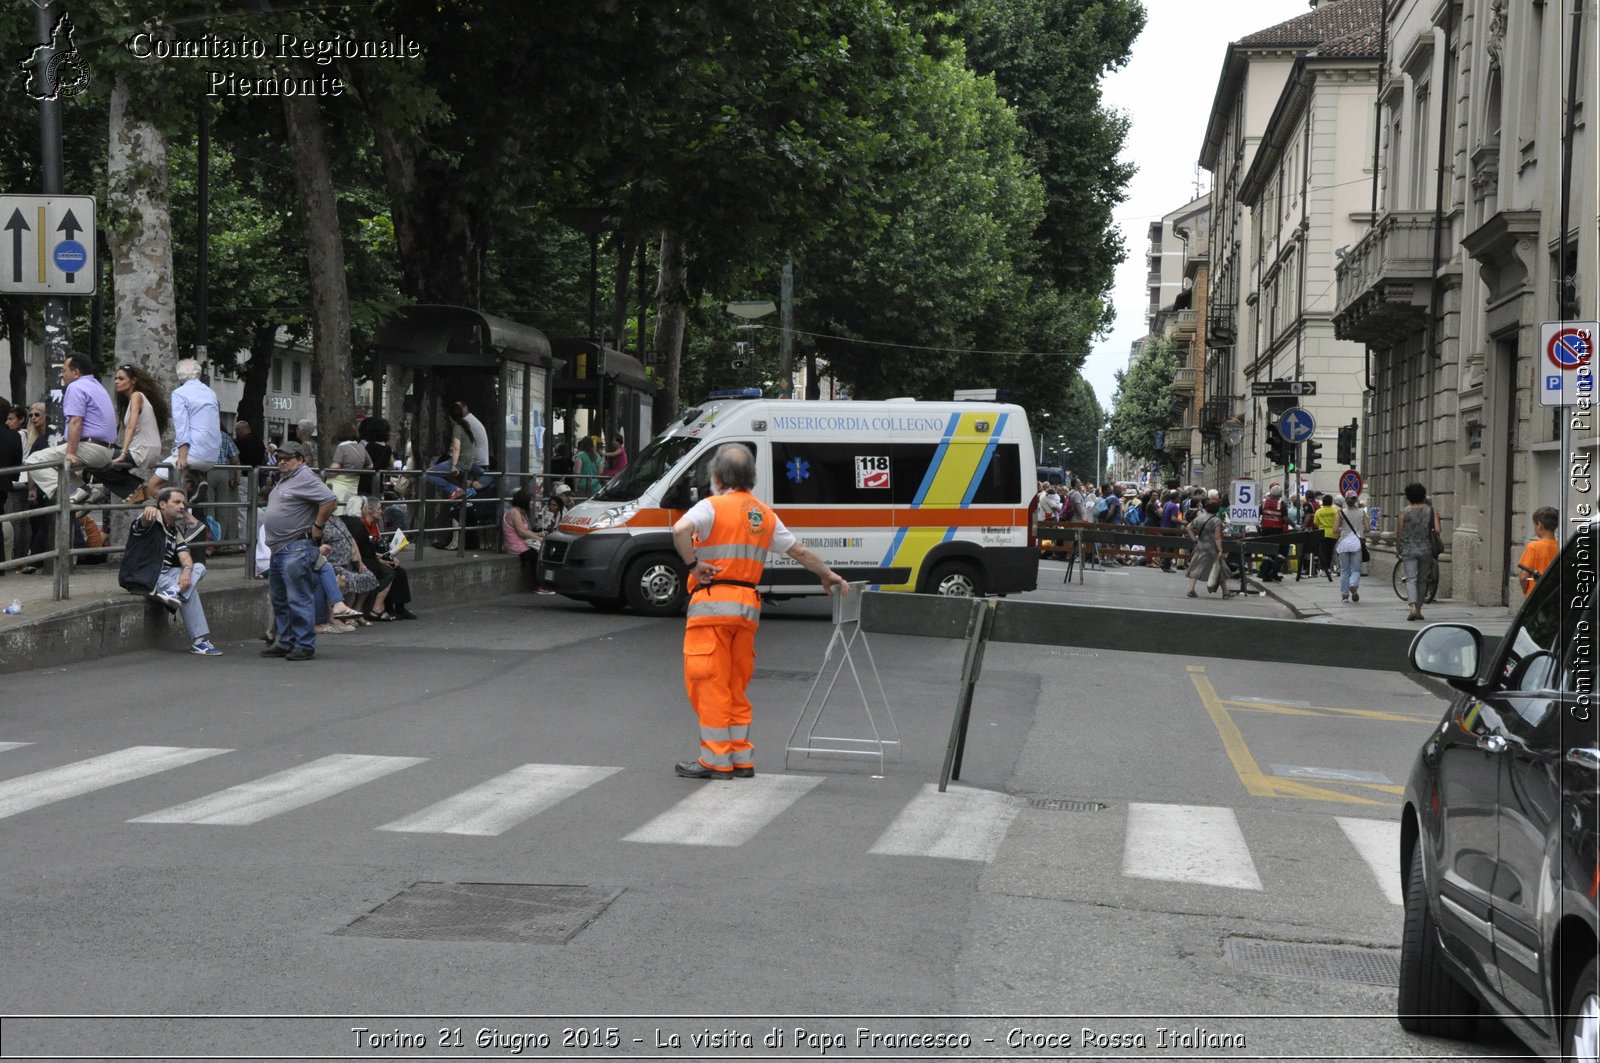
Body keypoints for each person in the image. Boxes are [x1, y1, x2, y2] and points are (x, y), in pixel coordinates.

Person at [669, 444, 847, 780]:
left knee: (709, 684)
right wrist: (827, 574)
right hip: (747, 610)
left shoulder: (710, 507)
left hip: (711, 608)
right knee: (736, 686)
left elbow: (678, 531)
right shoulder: (764, 514)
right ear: (751, 478)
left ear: (718, 477)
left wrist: (693, 564)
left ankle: (715, 761)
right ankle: (740, 758)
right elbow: (800, 551)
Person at [260, 440, 337, 660]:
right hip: (280, 547)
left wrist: (318, 526)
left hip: (295, 545)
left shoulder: (304, 477)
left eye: (288, 458)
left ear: (300, 460)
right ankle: (286, 641)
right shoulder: (286, 479)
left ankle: (304, 644)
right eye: (280, 458)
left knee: (298, 596)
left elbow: (329, 500)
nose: (282, 462)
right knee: (281, 597)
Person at [131, 486, 221, 655]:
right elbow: (142, 523)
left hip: (167, 574)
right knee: (189, 590)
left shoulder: (174, 530)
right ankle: (199, 641)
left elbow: (186, 556)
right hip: (146, 575)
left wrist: (187, 571)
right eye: (177, 502)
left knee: (199, 567)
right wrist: (149, 509)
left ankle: (175, 591)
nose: (182, 506)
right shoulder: (151, 521)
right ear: (163, 504)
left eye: (183, 503)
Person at [24, 353, 117, 504]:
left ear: (76, 373)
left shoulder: (76, 387)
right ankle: (87, 491)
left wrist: (71, 453)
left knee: (34, 460)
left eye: (64, 370)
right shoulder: (98, 386)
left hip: (90, 447)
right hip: (106, 450)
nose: (61, 374)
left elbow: (76, 422)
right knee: (60, 467)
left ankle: (71, 492)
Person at [82, 363, 168, 504]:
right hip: (147, 449)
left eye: (121, 379)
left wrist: (123, 452)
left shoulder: (136, 396)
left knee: (90, 457)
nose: (116, 381)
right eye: (116, 378)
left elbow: (131, 427)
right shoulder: (136, 398)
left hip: (142, 450)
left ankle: (134, 488)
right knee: (100, 454)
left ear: (133, 381)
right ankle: (137, 487)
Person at [150, 359, 222, 498]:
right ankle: (196, 483)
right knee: (177, 485)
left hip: (193, 454)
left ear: (179, 374)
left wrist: (182, 456)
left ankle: (180, 507)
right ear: (198, 373)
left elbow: (181, 426)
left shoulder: (180, 393)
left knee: (153, 487)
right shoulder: (210, 393)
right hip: (212, 456)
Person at [1395, 482, 1441, 622]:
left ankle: (1412, 606)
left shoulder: (1404, 512)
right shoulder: (1431, 511)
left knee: (1411, 578)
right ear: (1423, 495)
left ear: (1408, 497)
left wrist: (1398, 548)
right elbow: (1438, 530)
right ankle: (1419, 610)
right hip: (1426, 549)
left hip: (1409, 549)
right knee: (1422, 580)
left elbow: (1399, 533)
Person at [1185, 498, 1235, 599]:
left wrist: (1195, 540)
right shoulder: (1217, 521)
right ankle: (1225, 592)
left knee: (1196, 566)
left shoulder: (1200, 517)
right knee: (1218, 568)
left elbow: (1188, 527)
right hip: (1212, 548)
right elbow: (1217, 537)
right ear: (1217, 509)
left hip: (1201, 546)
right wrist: (1220, 550)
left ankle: (1191, 589)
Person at [324, 421, 372, 515]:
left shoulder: (342, 448)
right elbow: (370, 466)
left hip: (338, 486)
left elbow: (334, 469)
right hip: (354, 485)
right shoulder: (361, 447)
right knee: (350, 512)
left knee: (337, 512)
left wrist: (324, 474)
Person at [1516, 506, 1560, 596]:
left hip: (1535, 595)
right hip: (1554, 595)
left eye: (1534, 525)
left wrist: (1525, 591)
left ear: (1539, 525)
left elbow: (1524, 576)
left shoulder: (1533, 546)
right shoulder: (1561, 546)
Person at [1334, 491, 1368, 603]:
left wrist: (1343, 530)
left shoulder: (1340, 513)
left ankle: (1344, 596)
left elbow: (1334, 530)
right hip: (1357, 543)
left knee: (1344, 570)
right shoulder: (1362, 512)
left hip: (1344, 543)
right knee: (1355, 569)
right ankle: (1353, 585)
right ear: (1356, 500)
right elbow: (1367, 529)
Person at [1313, 492, 1338, 581]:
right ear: (1331, 502)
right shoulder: (1335, 511)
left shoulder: (1318, 511)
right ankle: (1329, 569)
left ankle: (1323, 570)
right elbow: (1338, 522)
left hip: (1322, 533)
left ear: (1323, 502)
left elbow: (1315, 523)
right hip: (1333, 534)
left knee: (1323, 552)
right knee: (1331, 553)